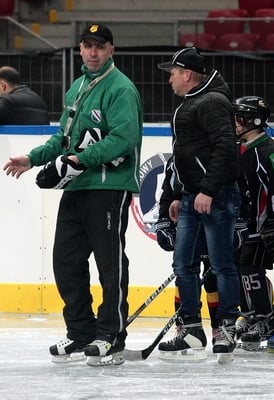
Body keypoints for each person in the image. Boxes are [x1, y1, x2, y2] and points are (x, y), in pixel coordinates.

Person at [3, 23, 143, 366]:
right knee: (65, 261)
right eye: (86, 45)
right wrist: (33, 158)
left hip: (109, 186)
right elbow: (62, 139)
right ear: (80, 49)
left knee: (109, 265)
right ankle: (81, 332)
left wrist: (81, 159)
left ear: (111, 50)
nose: (92, 52)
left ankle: (111, 334)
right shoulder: (79, 86)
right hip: (77, 186)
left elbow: (124, 139)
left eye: (99, 46)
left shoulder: (120, 89)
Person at [156, 47, 241, 362]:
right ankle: (191, 330)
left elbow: (225, 148)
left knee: (221, 265)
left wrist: (207, 189)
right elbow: (186, 155)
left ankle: (227, 328)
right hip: (192, 196)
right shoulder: (194, 102)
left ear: (187, 75)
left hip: (214, 196)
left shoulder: (212, 102)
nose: (170, 80)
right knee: (183, 264)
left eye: (173, 74)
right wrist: (179, 193)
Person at [231, 96, 274, 350]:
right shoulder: (238, 148)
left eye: (240, 117)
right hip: (238, 226)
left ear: (254, 120)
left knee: (251, 270)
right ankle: (251, 314)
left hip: (261, 227)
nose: (235, 122)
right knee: (238, 269)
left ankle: (266, 318)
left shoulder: (271, 150)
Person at [153, 156, 220, 360]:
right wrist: (164, 219)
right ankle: (186, 329)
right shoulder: (178, 157)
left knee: (213, 279)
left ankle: (219, 331)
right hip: (188, 224)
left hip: (213, 221)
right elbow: (168, 190)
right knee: (184, 276)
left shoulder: (218, 155)